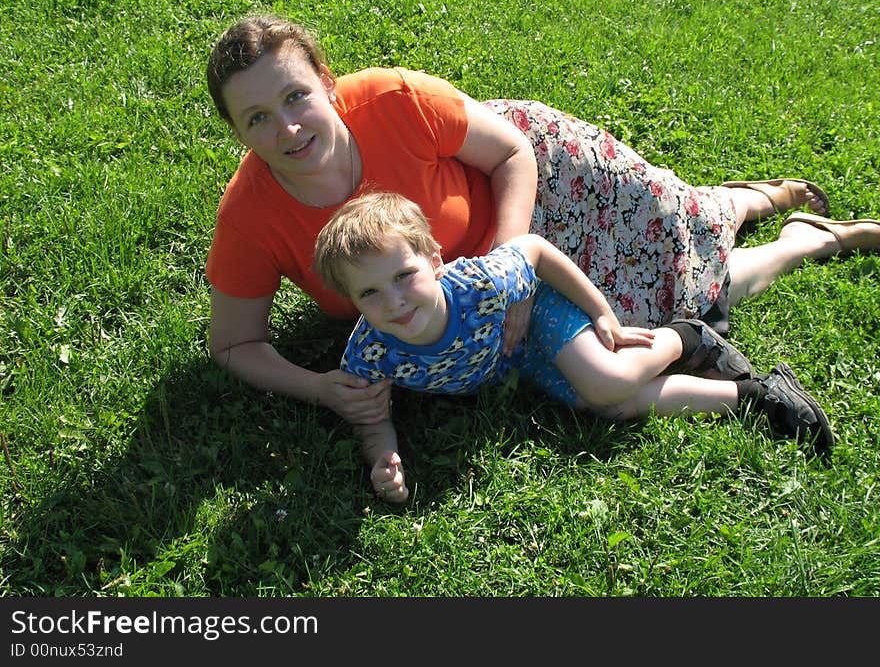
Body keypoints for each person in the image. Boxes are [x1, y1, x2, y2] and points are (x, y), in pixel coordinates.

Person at [204, 14, 880, 425]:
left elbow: (512, 153)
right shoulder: (250, 217)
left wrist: (510, 278)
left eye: (297, 95)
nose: (288, 128)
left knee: (678, 231)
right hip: (460, 274)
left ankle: (751, 199)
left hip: (529, 183)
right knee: (644, 318)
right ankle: (800, 242)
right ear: (237, 131)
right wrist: (322, 388)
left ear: (326, 79)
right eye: (257, 117)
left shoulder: (393, 99)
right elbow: (234, 346)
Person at [312, 192, 833, 502]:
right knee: (611, 405)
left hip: (535, 317)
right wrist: (383, 454)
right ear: (351, 300)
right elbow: (370, 410)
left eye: (404, 275)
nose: (395, 301)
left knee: (608, 381)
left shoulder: (479, 284)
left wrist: (604, 313)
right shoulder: (372, 351)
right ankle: (756, 396)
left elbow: (534, 251)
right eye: (370, 292)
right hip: (514, 362)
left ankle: (685, 336)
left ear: (433, 259)